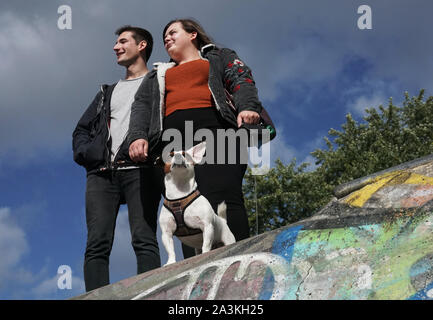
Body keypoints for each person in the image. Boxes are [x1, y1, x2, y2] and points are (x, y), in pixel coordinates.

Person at [128, 18, 263, 259]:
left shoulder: (218, 57)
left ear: (192, 34)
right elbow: (141, 106)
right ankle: (196, 279)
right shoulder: (158, 73)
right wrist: (138, 137)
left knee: (224, 198)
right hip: (172, 143)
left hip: (219, 135)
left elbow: (241, 79)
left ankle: (242, 262)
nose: (167, 38)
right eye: (164, 37)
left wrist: (247, 107)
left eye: (172, 32)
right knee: (185, 209)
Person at [72, 26, 163, 292]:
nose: (116, 47)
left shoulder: (158, 83)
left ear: (142, 45)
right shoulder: (106, 91)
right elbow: (81, 129)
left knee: (144, 238)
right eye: (116, 42)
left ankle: (151, 294)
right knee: (97, 243)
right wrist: (88, 153)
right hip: (101, 173)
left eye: (123, 41)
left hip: (141, 169)